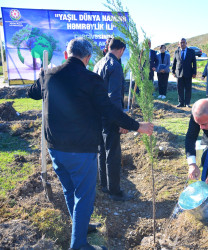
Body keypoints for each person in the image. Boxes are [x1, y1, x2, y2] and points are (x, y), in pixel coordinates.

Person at [27, 38, 154, 250]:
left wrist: (42, 74)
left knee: (69, 190)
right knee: (84, 195)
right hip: (80, 149)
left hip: (55, 147)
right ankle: (78, 245)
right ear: (87, 58)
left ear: (67, 55)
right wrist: (137, 126)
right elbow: (110, 110)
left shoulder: (49, 75)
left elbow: (32, 93)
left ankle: (82, 226)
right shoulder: (91, 79)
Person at [94, 38, 131, 202]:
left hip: (98, 114)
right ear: (121, 49)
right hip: (110, 116)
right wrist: (121, 121)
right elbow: (114, 97)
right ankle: (115, 191)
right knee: (113, 153)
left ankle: (104, 185)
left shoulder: (99, 63)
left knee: (102, 151)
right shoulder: (115, 65)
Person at [172, 38, 197, 108]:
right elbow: (174, 62)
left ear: (186, 43)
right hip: (179, 73)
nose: (182, 44)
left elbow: (194, 63)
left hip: (188, 73)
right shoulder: (176, 52)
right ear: (179, 44)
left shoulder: (191, 51)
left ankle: (187, 103)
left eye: (184, 42)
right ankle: (181, 103)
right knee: (180, 89)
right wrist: (173, 71)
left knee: (188, 88)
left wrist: (194, 72)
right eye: (181, 43)